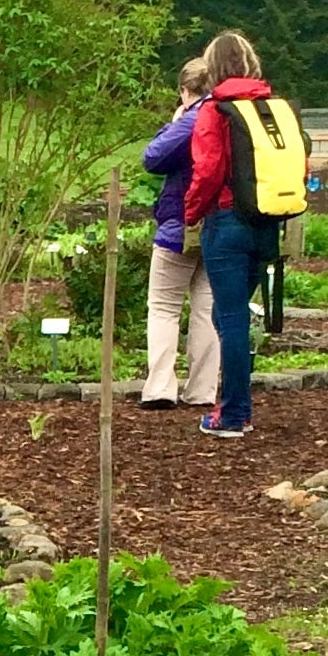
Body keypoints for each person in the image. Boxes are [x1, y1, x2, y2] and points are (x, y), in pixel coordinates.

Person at [180, 29, 280, 439]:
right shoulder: (271, 108)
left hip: (227, 222)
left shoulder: (215, 111)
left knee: (231, 317)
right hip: (268, 222)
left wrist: (191, 213)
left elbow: (207, 171)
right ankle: (235, 403)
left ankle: (236, 413)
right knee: (229, 315)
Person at [138, 58, 218, 411]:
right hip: (219, 228)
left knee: (164, 308)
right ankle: (202, 390)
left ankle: (159, 388)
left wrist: (174, 123)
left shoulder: (192, 120)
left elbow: (152, 158)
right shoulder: (228, 117)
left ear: (186, 91)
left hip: (179, 228)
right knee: (206, 310)